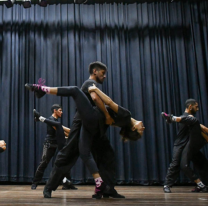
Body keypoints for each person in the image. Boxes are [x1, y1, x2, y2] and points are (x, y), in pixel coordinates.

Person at [25, 61, 144, 198]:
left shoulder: (122, 113)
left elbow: (113, 111)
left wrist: (109, 117)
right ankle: (49, 187)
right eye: (102, 73)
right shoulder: (89, 83)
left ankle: (107, 188)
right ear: (95, 71)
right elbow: (99, 99)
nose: (104, 76)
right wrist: (107, 116)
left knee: (106, 155)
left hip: (95, 125)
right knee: (67, 156)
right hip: (84, 123)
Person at [161, 99, 208, 193]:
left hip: (190, 145)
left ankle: (204, 185)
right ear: (190, 106)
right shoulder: (187, 117)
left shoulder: (192, 120)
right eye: (196, 106)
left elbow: (202, 128)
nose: (198, 109)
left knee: (202, 164)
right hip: (181, 145)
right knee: (176, 164)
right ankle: (167, 185)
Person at [31, 104, 77, 190]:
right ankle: (35, 183)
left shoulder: (54, 121)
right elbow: (62, 131)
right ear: (55, 111)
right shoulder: (51, 120)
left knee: (63, 163)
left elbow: (64, 131)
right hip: (49, 144)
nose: (62, 112)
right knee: (44, 163)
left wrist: (71, 134)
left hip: (57, 144)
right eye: (60, 110)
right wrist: (71, 134)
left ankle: (67, 183)